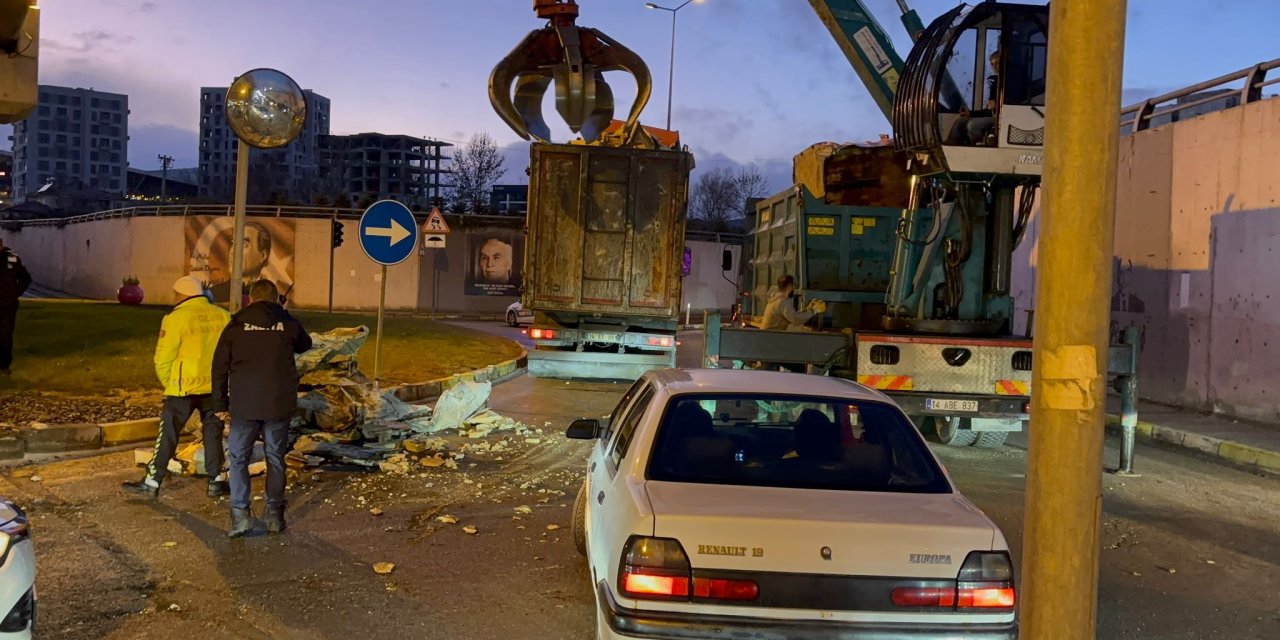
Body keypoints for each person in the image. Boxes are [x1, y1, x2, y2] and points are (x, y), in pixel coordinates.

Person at [211, 279, 313, 538]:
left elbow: (219, 366)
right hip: (278, 404)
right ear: (276, 298)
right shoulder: (286, 323)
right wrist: (284, 312)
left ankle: (240, 517)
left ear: (251, 298)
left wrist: (220, 403)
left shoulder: (235, 324)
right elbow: (306, 344)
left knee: (238, 458)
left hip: (244, 404)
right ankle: (274, 516)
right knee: (275, 457)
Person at [123, 276, 232, 498]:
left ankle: (152, 481)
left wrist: (169, 383)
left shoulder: (175, 318)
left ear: (182, 294)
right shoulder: (222, 315)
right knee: (213, 433)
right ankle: (216, 481)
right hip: (214, 387)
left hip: (183, 388)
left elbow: (163, 359)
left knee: (169, 434)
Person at [946, 49, 1001, 146]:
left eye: (997, 63)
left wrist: (998, 105)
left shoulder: (1011, 82)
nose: (994, 67)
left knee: (973, 125)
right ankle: (949, 147)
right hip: (994, 117)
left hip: (1004, 119)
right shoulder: (995, 83)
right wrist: (970, 113)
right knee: (960, 122)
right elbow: (989, 112)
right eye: (992, 64)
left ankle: (979, 147)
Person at [0, 238, 31, 377]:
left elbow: (25, 278)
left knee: (6, 335)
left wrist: (15, 293)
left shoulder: (12, 259)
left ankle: (4, 365)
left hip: (8, 305)